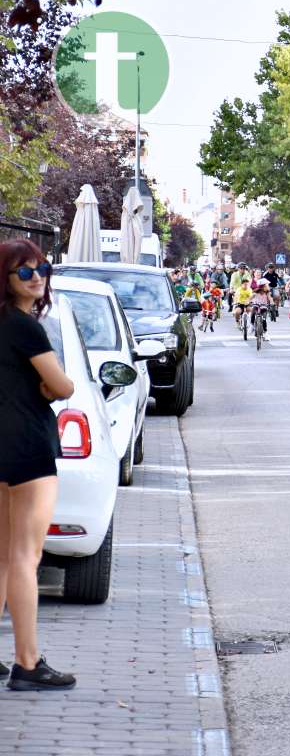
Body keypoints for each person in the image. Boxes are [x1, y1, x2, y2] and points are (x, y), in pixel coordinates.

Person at [0, 239, 77, 690]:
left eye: (42, 268)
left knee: (4, 556)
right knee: (25, 558)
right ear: (6, 281)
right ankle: (27, 664)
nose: (37, 277)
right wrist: (51, 389)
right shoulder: (26, 327)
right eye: (24, 272)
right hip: (29, 445)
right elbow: (63, 386)